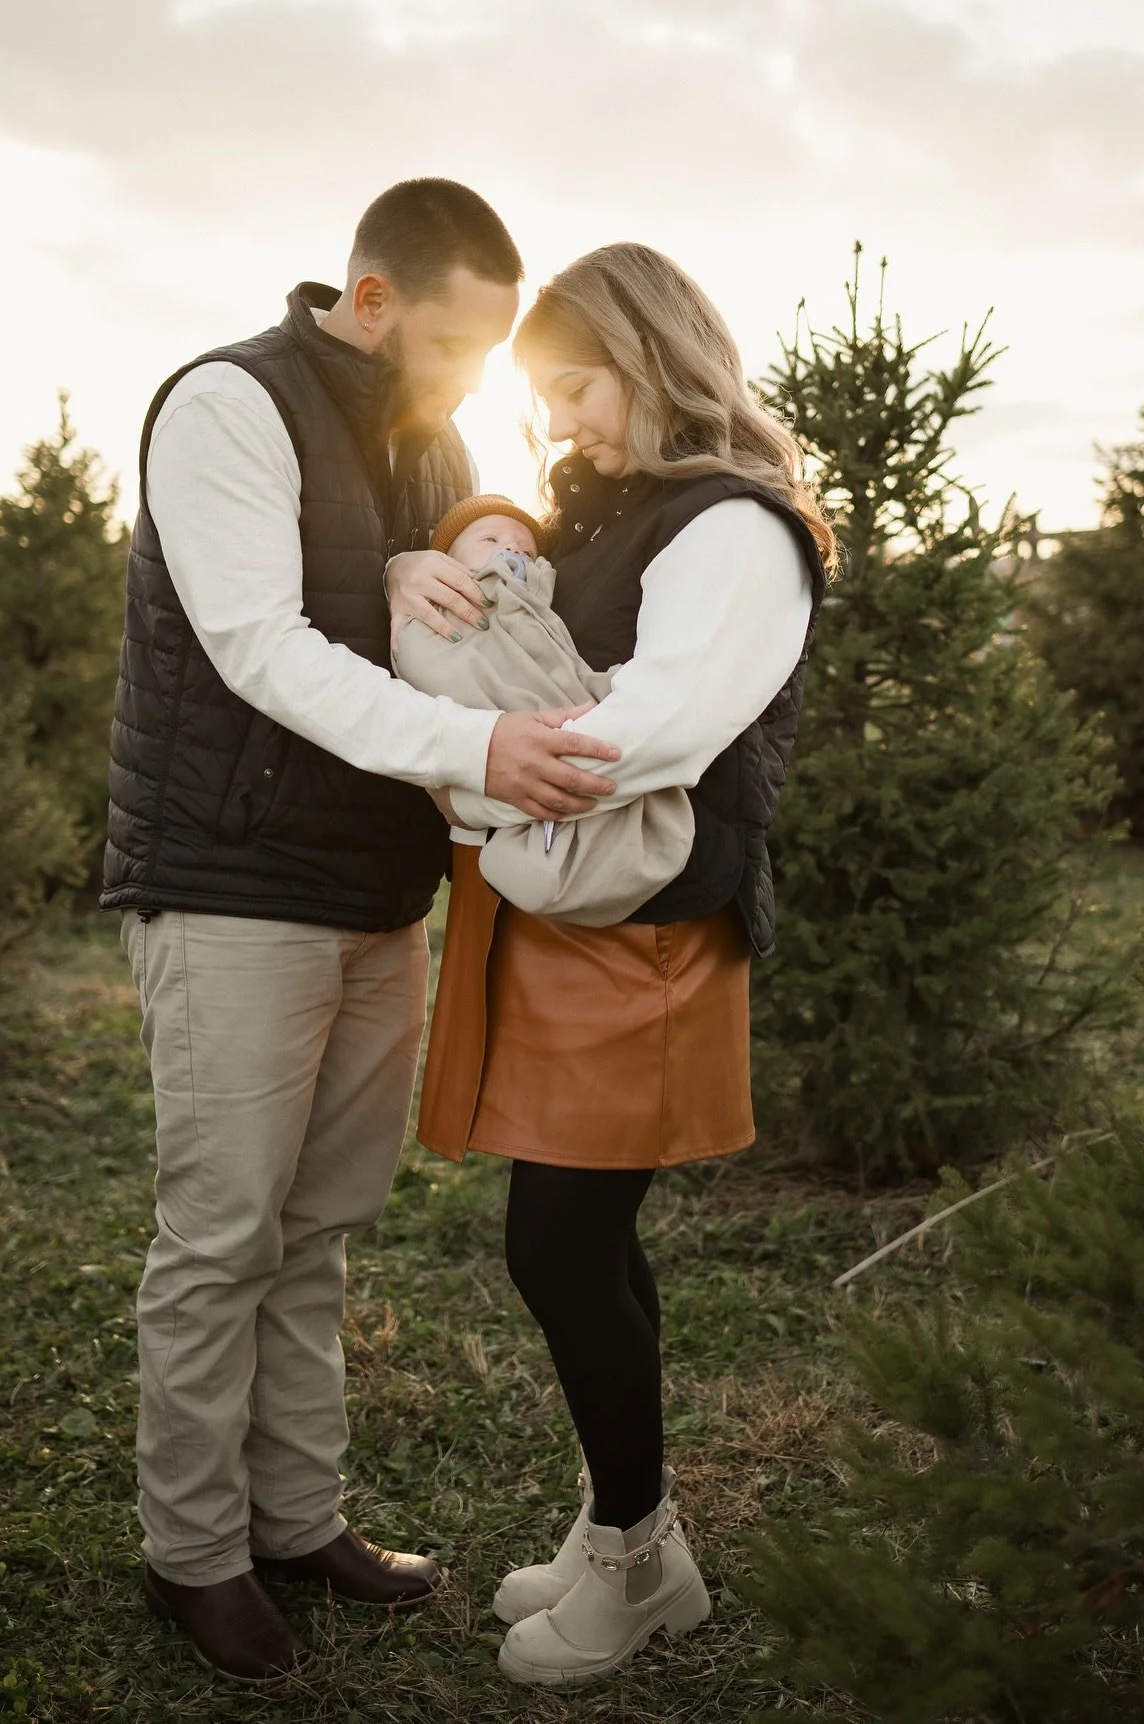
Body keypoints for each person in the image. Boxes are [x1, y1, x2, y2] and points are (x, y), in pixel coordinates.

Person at [101, 178, 621, 1685]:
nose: (469, 381)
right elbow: (261, 644)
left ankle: (297, 1512)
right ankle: (191, 1551)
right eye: (454, 345)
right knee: (222, 1230)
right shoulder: (226, 404)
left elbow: (450, 548)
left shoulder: (428, 425)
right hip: (233, 879)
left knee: (321, 1225)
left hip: (374, 889)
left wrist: (467, 533)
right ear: (373, 298)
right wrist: (478, 752)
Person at [415, 242, 835, 1688]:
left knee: (561, 1245)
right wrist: (454, 543)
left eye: (580, 386)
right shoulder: (630, 506)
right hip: (586, 916)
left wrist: (472, 779)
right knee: (584, 1243)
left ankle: (638, 1557)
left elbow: (636, 734)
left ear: (652, 358)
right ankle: (628, 1537)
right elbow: (524, 594)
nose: (565, 422)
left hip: (646, 934)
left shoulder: (734, 529)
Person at [392, 494, 694, 925]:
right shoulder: (435, 612)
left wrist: (608, 689)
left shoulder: (540, 609)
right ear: (447, 558)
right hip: (488, 733)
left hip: (555, 732)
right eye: (490, 537)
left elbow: (563, 665)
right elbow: (434, 666)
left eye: (525, 547)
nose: (511, 549)